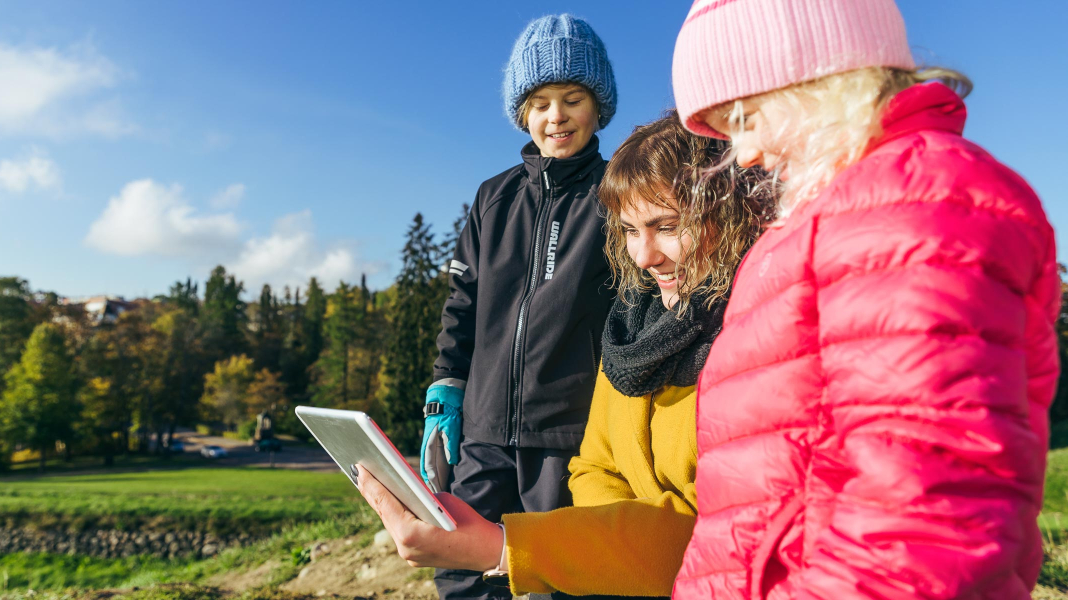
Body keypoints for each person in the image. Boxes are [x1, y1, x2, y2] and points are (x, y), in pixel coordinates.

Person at [668, 1, 1059, 598]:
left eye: (745, 117)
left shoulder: (912, 208)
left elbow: (922, 521)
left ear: (817, 75)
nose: (743, 156)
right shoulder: (843, 215)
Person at [357, 113, 767, 598]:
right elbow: (593, 468)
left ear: (728, 212)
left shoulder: (757, 345)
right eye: (631, 230)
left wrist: (505, 548)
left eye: (667, 227)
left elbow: (708, 537)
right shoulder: (629, 332)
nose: (644, 255)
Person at [418, 14, 618, 600]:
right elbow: (463, 304)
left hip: (567, 429)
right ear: (521, 114)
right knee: (459, 565)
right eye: (539, 103)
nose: (555, 116)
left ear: (597, 106)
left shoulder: (616, 193)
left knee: (561, 572)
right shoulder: (493, 197)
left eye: (572, 98)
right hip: (483, 428)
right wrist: (445, 391)